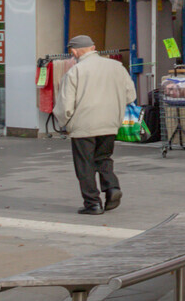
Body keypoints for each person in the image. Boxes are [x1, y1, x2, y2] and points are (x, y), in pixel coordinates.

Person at [53, 36, 137, 215]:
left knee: (85, 164)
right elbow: (131, 96)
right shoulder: (117, 68)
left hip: (84, 125)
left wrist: (65, 123)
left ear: (74, 51)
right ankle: (112, 187)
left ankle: (93, 203)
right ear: (94, 47)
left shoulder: (76, 71)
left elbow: (65, 104)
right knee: (104, 157)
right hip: (110, 123)